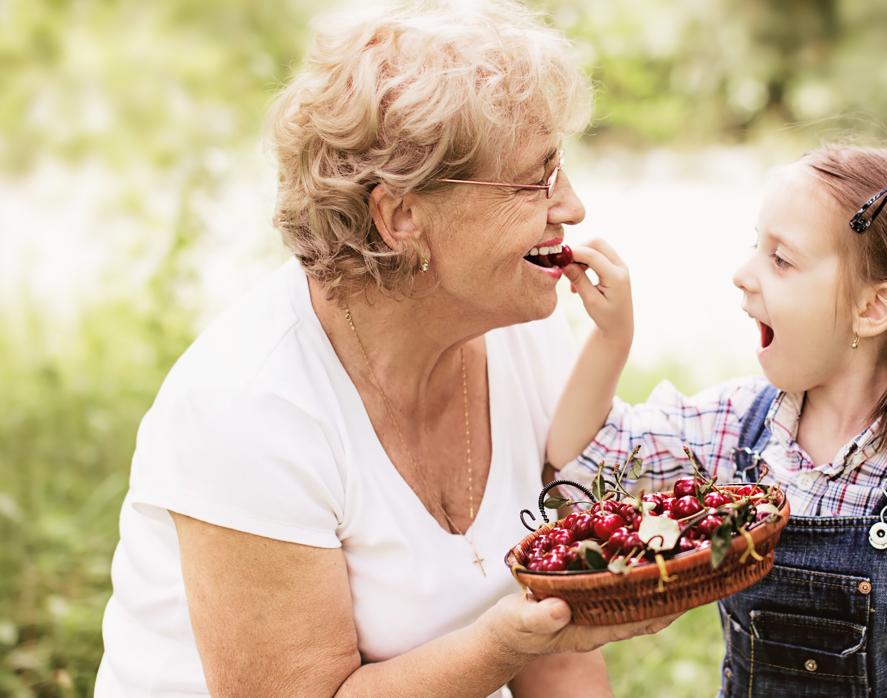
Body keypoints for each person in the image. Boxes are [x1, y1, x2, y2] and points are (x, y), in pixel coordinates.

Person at [95, 2, 674, 696]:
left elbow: (560, 648)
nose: (572, 206)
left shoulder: (524, 331)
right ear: (401, 215)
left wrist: (543, 628)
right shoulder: (246, 406)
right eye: (534, 180)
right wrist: (500, 644)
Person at [548, 145, 887, 696]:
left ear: (873, 308)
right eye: (755, 247)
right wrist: (612, 336)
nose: (743, 275)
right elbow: (580, 456)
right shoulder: (740, 430)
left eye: (781, 260)